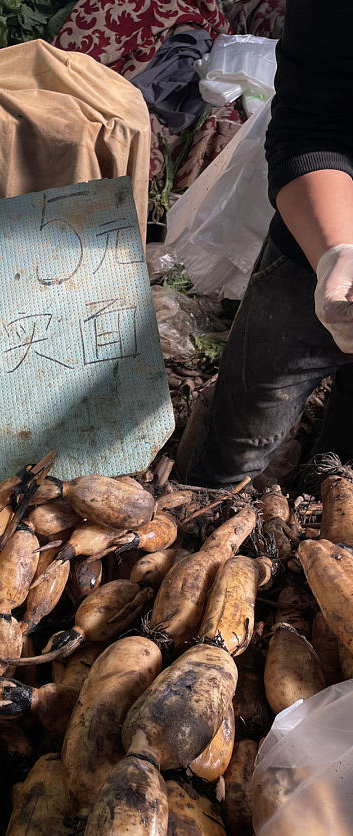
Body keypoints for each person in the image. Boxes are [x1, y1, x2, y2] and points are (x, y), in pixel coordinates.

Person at [179, 0, 353, 487]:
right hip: (314, 253)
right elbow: (310, 127)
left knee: (339, 485)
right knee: (233, 457)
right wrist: (336, 252)